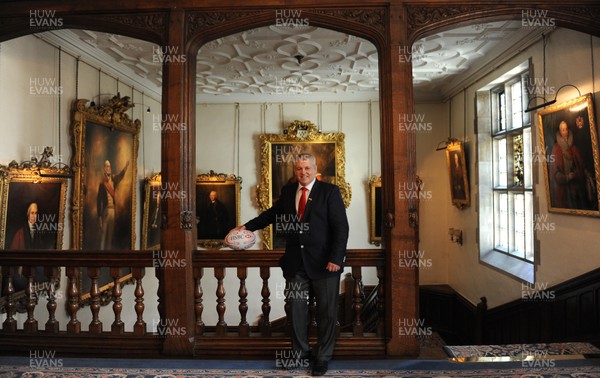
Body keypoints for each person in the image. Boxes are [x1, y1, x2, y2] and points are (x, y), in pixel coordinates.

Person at [234, 153, 349, 376]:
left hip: (326, 265)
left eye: (307, 168)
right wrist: (246, 227)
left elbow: (341, 228)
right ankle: (300, 352)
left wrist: (336, 258)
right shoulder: (288, 192)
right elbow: (271, 215)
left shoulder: (330, 192)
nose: (303, 172)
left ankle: (323, 357)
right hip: (296, 264)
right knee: (296, 309)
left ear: (315, 169)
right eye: (298, 169)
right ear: (294, 171)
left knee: (326, 313)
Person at [550, 120, 589, 209]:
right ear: (560, 132)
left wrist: (580, 173)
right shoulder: (556, 149)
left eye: (566, 129)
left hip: (576, 187)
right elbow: (555, 174)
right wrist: (567, 177)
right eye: (563, 130)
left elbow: (581, 166)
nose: (565, 132)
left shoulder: (574, 148)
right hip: (564, 191)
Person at [8, 202, 46, 292]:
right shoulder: (20, 233)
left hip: (35, 268)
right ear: (28, 215)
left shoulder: (39, 233)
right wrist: (20, 265)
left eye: (36, 213)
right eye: (32, 213)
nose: (34, 216)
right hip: (21, 270)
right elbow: (13, 255)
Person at [97, 159, 129, 249]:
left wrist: (125, 168)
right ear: (104, 168)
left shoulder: (114, 179)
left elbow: (120, 176)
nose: (108, 168)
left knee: (110, 235)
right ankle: (101, 252)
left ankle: (108, 252)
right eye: (107, 166)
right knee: (104, 233)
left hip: (113, 211)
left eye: (109, 166)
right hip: (106, 211)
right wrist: (99, 216)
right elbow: (99, 201)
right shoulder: (102, 184)